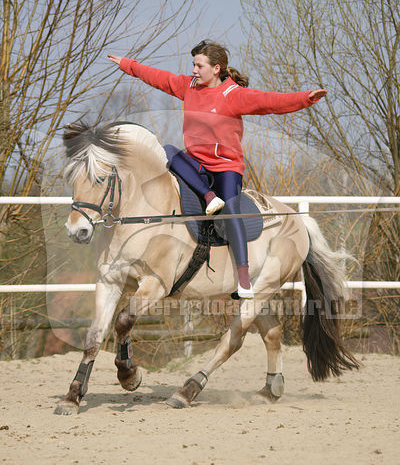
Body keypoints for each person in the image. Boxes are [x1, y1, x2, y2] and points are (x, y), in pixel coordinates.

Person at [108, 40, 326, 298]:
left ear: (216, 68)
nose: (194, 70)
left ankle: (243, 276)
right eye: (193, 65)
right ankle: (209, 196)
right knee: (167, 150)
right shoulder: (188, 87)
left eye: (199, 66)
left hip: (225, 169)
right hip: (195, 166)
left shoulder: (233, 95)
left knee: (232, 210)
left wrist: (305, 98)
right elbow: (158, 77)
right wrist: (127, 65)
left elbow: (271, 102)